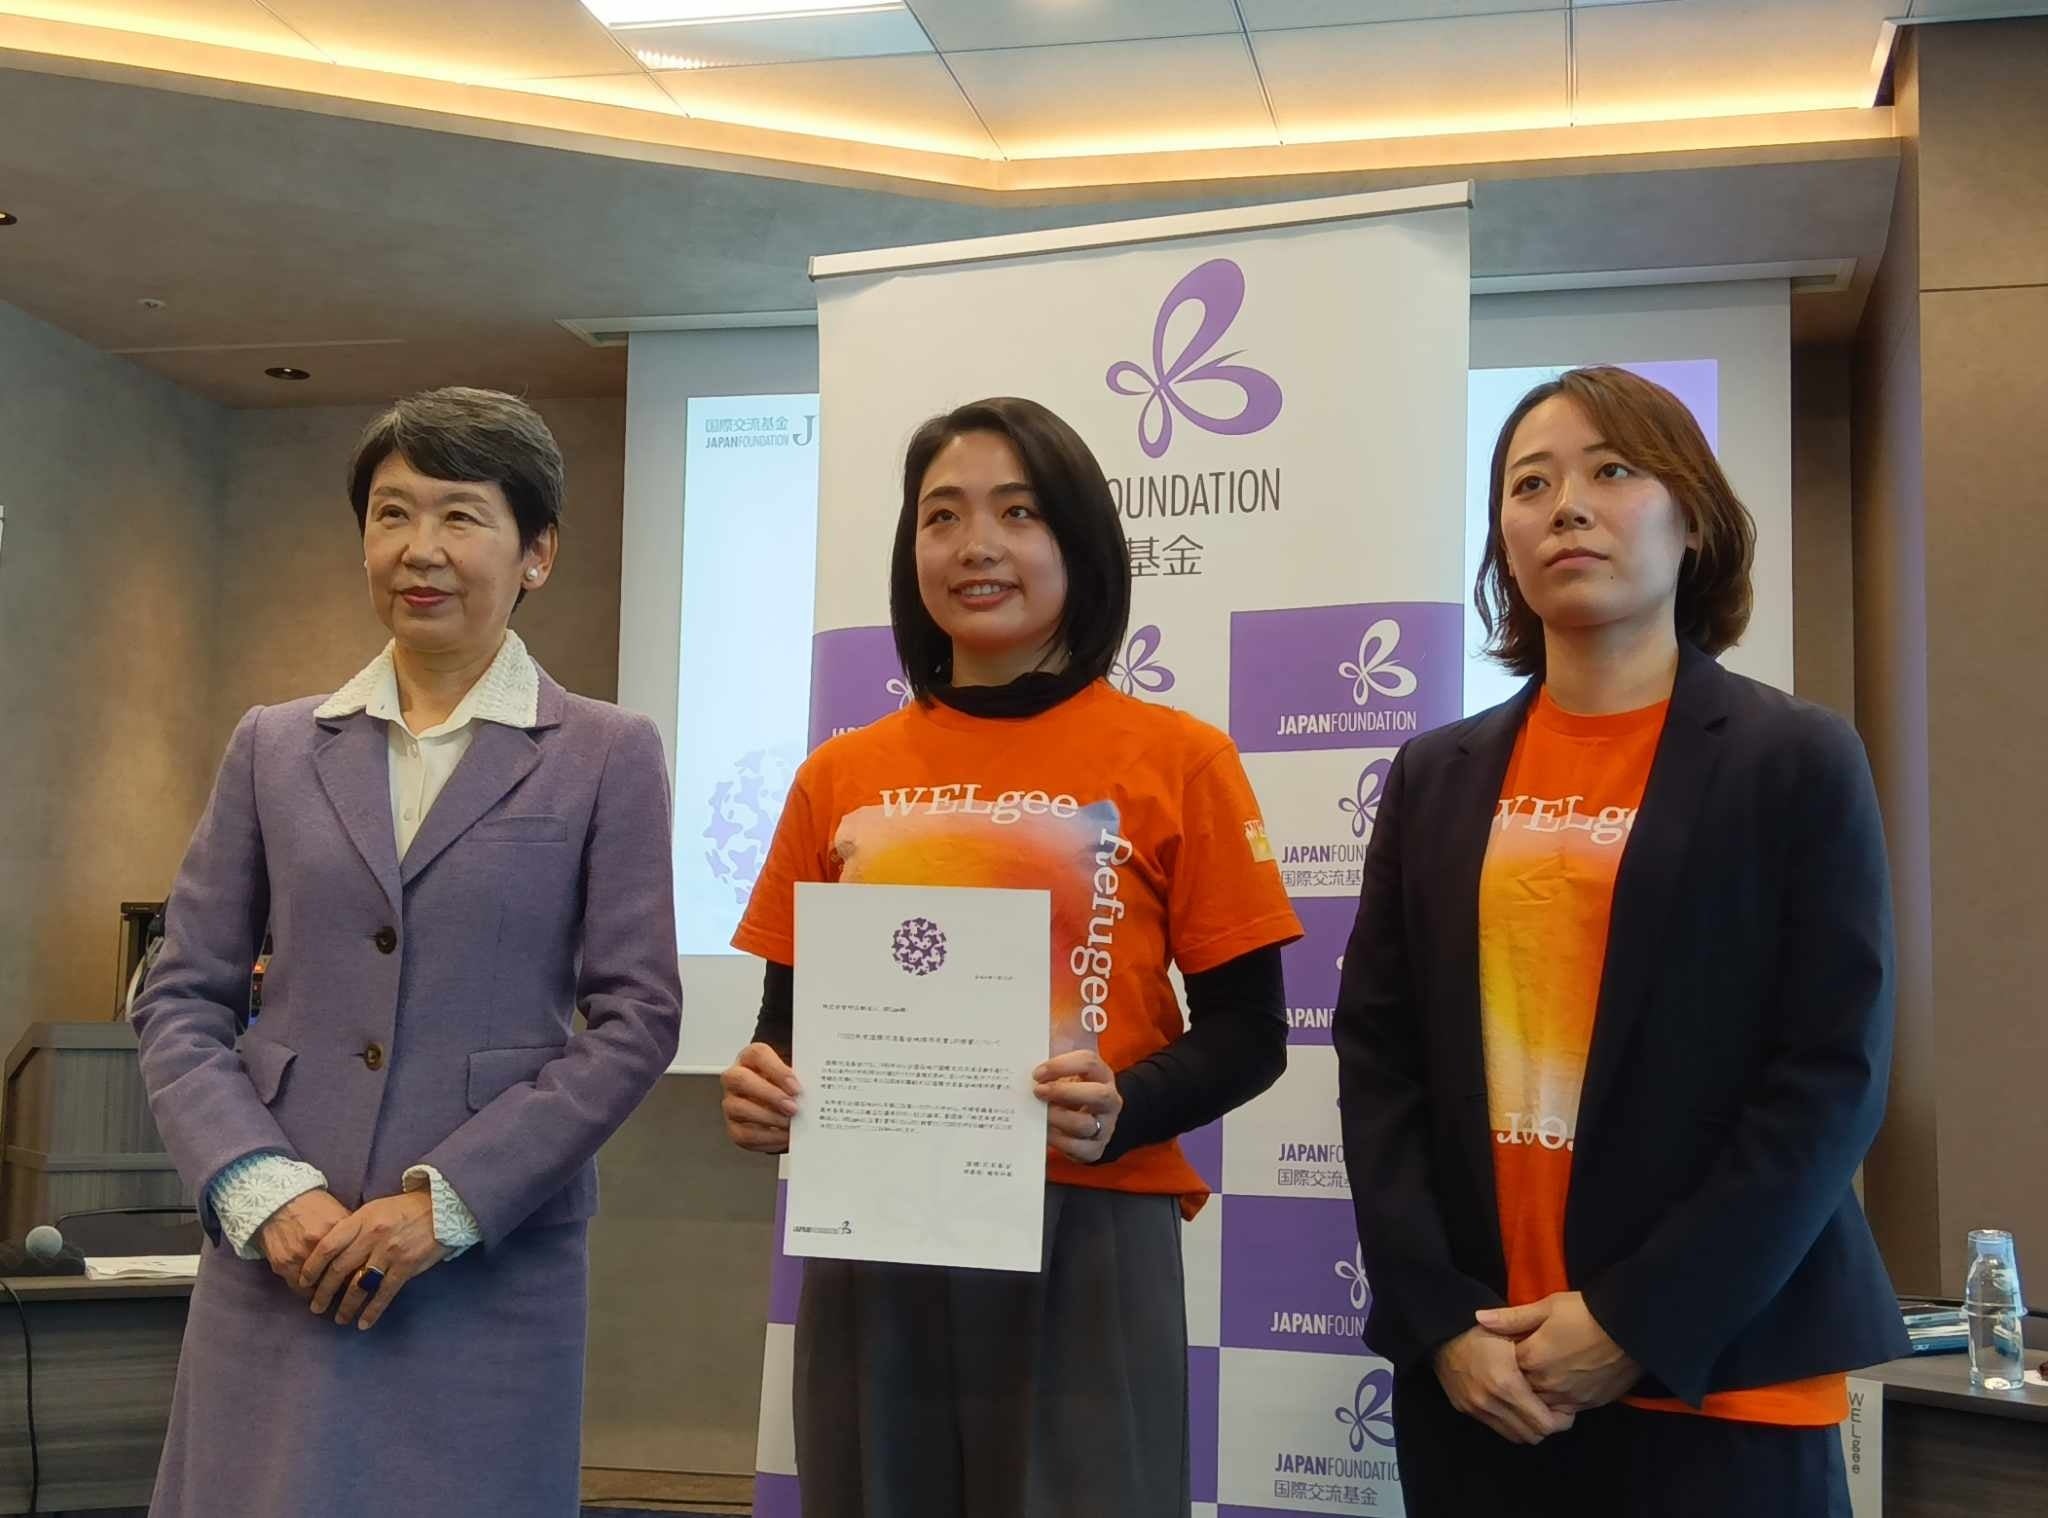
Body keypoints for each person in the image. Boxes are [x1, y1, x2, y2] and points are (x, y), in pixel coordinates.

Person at [1333, 366, 1906, 1516]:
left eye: (1610, 471)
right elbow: (1379, 1063)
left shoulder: (1792, 758)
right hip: (1483, 1378)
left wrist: (1632, 1322)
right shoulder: (1435, 774)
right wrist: (1440, 1322)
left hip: (1716, 1378)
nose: (1566, 507)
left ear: (1690, 520)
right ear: (1502, 544)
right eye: (1528, 484)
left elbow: (1828, 1075)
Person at [719, 396, 1301, 1517]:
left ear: (1078, 544)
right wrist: (764, 1084)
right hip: (876, 1231)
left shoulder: (1179, 759)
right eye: (941, 516)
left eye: (1017, 513)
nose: (975, 545)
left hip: (1088, 1224)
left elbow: (1250, 1033)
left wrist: (1124, 1106)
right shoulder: (838, 776)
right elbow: (786, 1021)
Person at [132, 387, 682, 1518]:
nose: (418, 549)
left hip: (484, 1266)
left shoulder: (605, 753)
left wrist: (451, 1203)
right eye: (391, 514)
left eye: (459, 516)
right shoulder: (273, 745)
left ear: (536, 553)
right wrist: (258, 1185)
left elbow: (636, 1020)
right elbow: (181, 994)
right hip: (284, 1252)